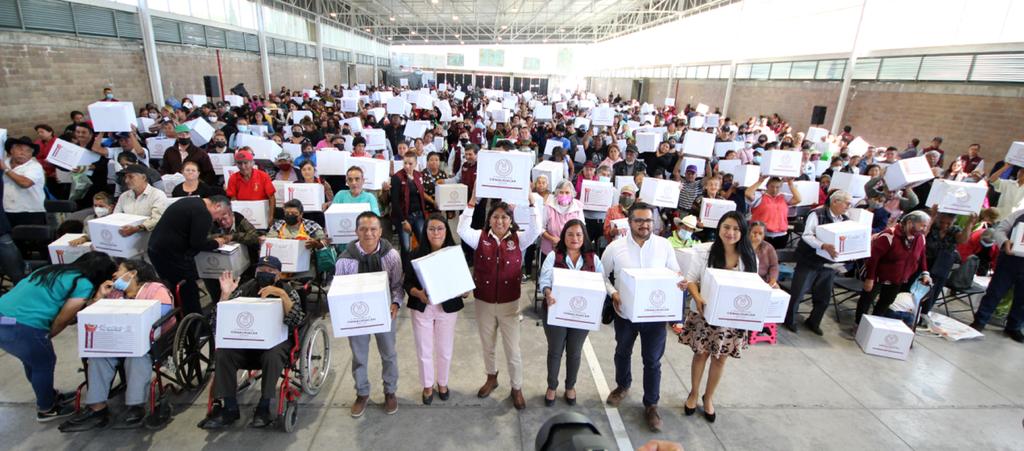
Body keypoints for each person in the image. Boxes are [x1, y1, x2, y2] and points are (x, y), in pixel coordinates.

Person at [0, 251, 116, 422]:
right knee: (44, 363)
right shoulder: (83, 283)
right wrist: (47, 335)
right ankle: (46, 409)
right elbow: (64, 318)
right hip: (25, 325)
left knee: (32, 361)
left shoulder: (52, 270)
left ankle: (48, 395)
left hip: (3, 317)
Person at [59, 259, 174, 431]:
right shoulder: (115, 293)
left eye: (119, 270)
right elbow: (92, 316)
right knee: (98, 356)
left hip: (150, 341)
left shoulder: (155, 289)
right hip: (117, 340)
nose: (114, 274)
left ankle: (136, 405)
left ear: (132, 273)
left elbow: (162, 313)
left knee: (137, 357)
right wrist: (99, 297)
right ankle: (97, 408)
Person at [601, 202, 684, 432]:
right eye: (638, 220)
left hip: (655, 316)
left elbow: (675, 273)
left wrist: (680, 281)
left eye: (648, 220)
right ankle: (622, 385)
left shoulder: (664, 246)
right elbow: (601, 275)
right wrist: (613, 293)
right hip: (625, 314)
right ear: (629, 222)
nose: (644, 225)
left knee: (653, 360)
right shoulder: (615, 248)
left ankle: (651, 404)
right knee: (622, 352)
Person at [200, 256, 305, 429]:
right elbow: (218, 321)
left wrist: (281, 295)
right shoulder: (246, 288)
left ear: (278, 275)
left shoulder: (288, 290)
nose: (265, 273)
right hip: (247, 341)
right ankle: (230, 407)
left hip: (276, 342)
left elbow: (296, 320)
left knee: (273, 354)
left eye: (270, 271)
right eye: (261, 270)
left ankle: (264, 407)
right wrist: (225, 294)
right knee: (223, 353)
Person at [457, 197, 542, 410]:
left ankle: (516, 387)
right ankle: (491, 377)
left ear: (511, 220)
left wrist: (532, 203)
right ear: (489, 219)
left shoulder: (519, 239)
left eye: (504, 217)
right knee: (488, 346)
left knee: (513, 350)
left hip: (509, 305)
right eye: (495, 217)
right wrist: (471, 203)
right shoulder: (479, 238)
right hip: (483, 302)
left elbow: (536, 229)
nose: (500, 221)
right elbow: (461, 229)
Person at [680, 211, 758, 424]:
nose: (730, 232)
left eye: (736, 229)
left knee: (720, 359)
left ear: (742, 232)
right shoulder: (704, 251)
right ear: (719, 228)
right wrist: (697, 297)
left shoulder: (750, 257)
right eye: (726, 227)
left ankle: (708, 397)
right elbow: (690, 280)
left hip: (732, 319)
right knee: (700, 355)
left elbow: (753, 288)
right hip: (705, 314)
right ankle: (694, 393)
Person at [335, 212, 403, 417]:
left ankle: (390, 391)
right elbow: (339, 292)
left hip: (385, 313)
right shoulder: (345, 261)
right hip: (356, 316)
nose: (369, 233)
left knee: (389, 354)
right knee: (359, 356)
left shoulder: (391, 256)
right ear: (356, 231)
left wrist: (395, 303)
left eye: (373, 229)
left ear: (380, 231)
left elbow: (397, 285)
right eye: (363, 229)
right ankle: (362, 393)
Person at [538, 219, 604, 407]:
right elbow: (544, 280)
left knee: (574, 352)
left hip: (582, 315)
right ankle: (552, 386)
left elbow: (602, 282)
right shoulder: (554, 256)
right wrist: (548, 293)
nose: (574, 238)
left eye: (578, 234)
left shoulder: (593, 259)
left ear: (584, 237)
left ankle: (570, 386)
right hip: (555, 312)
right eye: (570, 234)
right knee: (555, 351)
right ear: (563, 236)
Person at [403, 213, 466, 405]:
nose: (436, 232)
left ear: (446, 231)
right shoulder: (415, 254)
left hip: (447, 308)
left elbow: (464, 287)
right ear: (425, 232)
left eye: (440, 228)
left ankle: (443, 382)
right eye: (431, 229)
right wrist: (418, 293)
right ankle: (427, 385)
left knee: (444, 349)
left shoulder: (455, 254)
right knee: (424, 349)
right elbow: (407, 283)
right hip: (423, 307)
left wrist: (464, 291)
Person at [147, 195, 233, 315]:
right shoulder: (203, 213)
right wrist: (216, 243)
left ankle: (180, 317)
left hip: (157, 250)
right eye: (221, 214)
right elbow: (197, 243)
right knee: (188, 291)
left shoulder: (191, 202)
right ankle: (195, 323)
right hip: (171, 255)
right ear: (217, 206)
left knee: (174, 289)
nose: (218, 219)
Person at [785, 190, 853, 335]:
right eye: (846, 203)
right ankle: (789, 320)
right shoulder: (817, 214)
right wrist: (823, 245)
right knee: (798, 293)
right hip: (809, 260)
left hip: (829, 264)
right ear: (835, 202)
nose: (849, 206)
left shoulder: (845, 220)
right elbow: (807, 235)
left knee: (823, 297)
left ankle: (814, 322)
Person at [856, 210, 932, 325]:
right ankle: (858, 324)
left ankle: (873, 325)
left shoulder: (920, 238)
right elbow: (873, 258)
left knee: (886, 301)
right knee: (866, 300)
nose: (924, 229)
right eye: (922, 225)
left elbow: (922, 256)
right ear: (910, 223)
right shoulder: (889, 235)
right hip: (877, 275)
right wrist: (870, 278)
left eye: (926, 226)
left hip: (898, 278)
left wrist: (925, 272)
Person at [970, 208, 1024, 343]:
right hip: (1010, 259)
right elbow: (1000, 230)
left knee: (1022, 299)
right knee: (995, 291)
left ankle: (1014, 327)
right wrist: (1005, 242)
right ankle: (980, 320)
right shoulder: (1019, 214)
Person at [920, 209, 975, 320]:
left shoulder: (955, 230)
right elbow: (923, 234)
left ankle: (923, 314)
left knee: (934, 291)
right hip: (927, 262)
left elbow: (963, 240)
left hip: (942, 265)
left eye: (948, 223)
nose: (944, 226)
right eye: (942, 222)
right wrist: (933, 216)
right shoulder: (932, 226)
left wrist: (969, 223)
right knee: (920, 289)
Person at [266, 199, 329, 276]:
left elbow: (325, 242)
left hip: (305, 265)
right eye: (287, 213)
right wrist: (264, 241)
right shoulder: (278, 225)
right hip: (280, 266)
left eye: (294, 213)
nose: (290, 215)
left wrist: (316, 244)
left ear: (301, 214)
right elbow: (269, 241)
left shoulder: (311, 225)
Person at [746, 175, 802, 249]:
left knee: (778, 256)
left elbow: (798, 199)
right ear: (767, 186)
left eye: (777, 187)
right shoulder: (759, 196)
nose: (774, 189)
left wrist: (790, 183)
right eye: (772, 186)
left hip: (781, 235)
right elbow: (748, 193)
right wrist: (760, 181)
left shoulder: (783, 197)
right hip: (762, 234)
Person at [2, 136, 46, 227]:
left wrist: (5, 169)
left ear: (31, 154)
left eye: (28, 151)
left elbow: (25, 183)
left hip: (31, 212)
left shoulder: (35, 166)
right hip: (6, 210)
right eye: (19, 149)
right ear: (11, 150)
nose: (23, 153)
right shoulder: (4, 163)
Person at [390, 151, 429, 254]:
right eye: (405, 163)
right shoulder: (397, 177)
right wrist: (403, 221)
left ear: (416, 164)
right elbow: (394, 202)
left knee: (423, 242)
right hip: (404, 216)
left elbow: (421, 195)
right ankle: (405, 264)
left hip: (419, 215)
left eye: (410, 163)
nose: (407, 166)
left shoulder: (418, 175)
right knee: (406, 247)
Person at [112, 164, 167, 234]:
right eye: (125, 177)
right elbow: (115, 217)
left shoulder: (157, 195)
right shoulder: (124, 196)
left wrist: (137, 228)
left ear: (144, 177)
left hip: (149, 236)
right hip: (125, 235)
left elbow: (157, 219)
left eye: (131, 177)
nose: (126, 181)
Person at [225, 149, 276, 225]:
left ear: (252, 163)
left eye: (246, 163)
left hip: (261, 215)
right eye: (239, 163)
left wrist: (271, 216)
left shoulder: (263, 176)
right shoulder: (233, 178)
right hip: (243, 215)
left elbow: (271, 197)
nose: (243, 166)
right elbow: (233, 199)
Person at [541, 180, 584, 256]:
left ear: (572, 194)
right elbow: (541, 228)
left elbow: (582, 228)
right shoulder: (549, 206)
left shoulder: (578, 207)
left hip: (571, 250)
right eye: (561, 192)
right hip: (550, 249)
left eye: (567, 192)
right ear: (557, 193)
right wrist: (552, 239)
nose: (564, 195)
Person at [749, 221, 780, 287]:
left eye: (760, 233)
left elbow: (774, 266)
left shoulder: (768, 247)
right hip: (747, 279)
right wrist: (753, 245)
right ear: (749, 233)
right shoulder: (743, 245)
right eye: (754, 232)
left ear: (764, 235)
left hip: (764, 280)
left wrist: (773, 280)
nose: (757, 235)